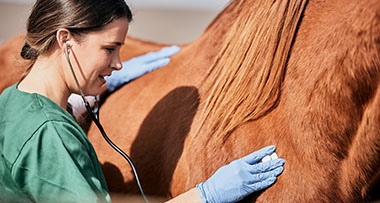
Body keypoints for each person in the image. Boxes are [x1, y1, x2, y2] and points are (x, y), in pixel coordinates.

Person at [0, 0, 285, 202]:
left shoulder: (12, 99)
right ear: (66, 40)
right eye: (109, 49)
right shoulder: (50, 133)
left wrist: (77, 104)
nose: (119, 64)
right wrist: (205, 196)